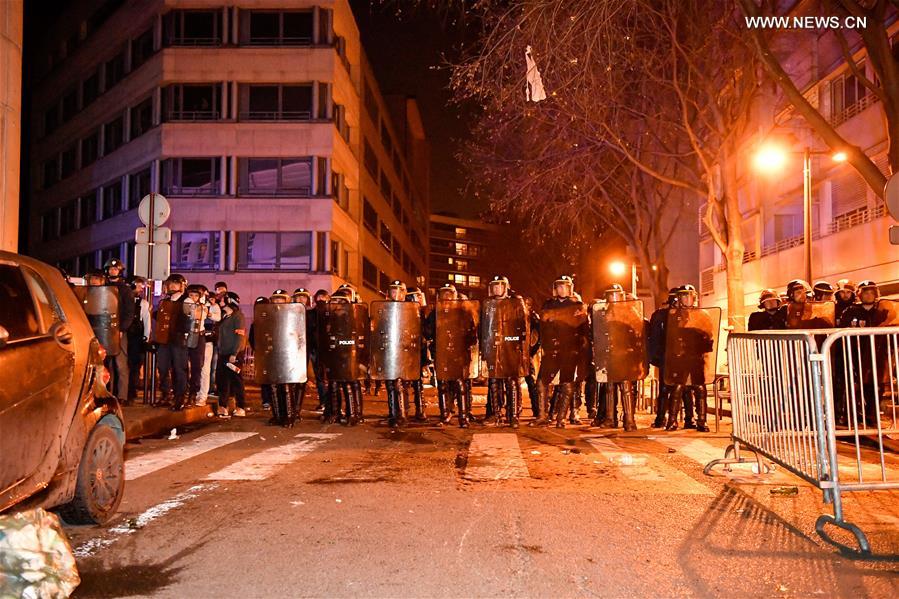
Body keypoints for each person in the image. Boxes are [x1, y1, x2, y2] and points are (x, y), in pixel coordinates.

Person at [534, 275, 588, 428]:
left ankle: (561, 418)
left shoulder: (577, 306)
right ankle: (542, 416)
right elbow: (542, 328)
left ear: (570, 288)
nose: (562, 289)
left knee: (567, 384)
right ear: (555, 289)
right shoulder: (548, 305)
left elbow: (584, 330)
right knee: (541, 383)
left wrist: (580, 350)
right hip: (551, 350)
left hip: (569, 350)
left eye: (565, 286)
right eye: (559, 286)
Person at [665, 284, 712, 433]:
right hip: (679, 357)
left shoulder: (703, 314)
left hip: (696, 356)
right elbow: (669, 337)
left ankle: (702, 421)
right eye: (684, 296)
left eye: (690, 296)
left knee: (700, 387)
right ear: (679, 298)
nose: (687, 299)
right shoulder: (672, 315)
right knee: (678, 387)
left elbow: (709, 334)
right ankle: (672, 421)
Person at [154, 274, 190, 410]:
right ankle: (165, 394)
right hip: (164, 340)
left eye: (176, 283)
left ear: (182, 286)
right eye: (171, 283)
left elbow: (190, 320)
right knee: (162, 368)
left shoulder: (186, 301)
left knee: (179, 369)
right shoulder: (164, 301)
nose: (173, 286)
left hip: (179, 340)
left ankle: (179, 397)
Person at [103, 259, 136, 400]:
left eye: (115, 269)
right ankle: (106, 394)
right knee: (105, 365)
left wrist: (123, 329)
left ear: (120, 271)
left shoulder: (125, 289)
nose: (112, 271)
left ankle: (122, 396)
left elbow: (129, 312)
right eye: (110, 269)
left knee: (121, 364)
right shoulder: (102, 287)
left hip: (119, 331)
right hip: (104, 330)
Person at [646, 288, 677, 428]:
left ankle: (687, 419)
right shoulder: (661, 315)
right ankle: (661, 418)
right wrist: (656, 357)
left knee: (684, 390)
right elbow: (655, 337)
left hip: (682, 358)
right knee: (665, 389)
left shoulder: (689, 315)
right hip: (666, 356)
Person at [217, 291, 247, 417]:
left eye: (223, 299)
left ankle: (241, 406)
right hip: (223, 353)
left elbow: (240, 336)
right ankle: (223, 406)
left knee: (236, 380)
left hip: (234, 353)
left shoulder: (238, 316)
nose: (221, 301)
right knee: (223, 380)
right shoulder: (225, 316)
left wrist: (234, 353)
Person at [404, 286, 430, 423]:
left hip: (418, 350)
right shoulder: (402, 310)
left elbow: (426, 332)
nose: (420, 299)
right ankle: (404, 409)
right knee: (404, 382)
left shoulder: (421, 312)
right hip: (404, 350)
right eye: (417, 296)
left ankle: (420, 409)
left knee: (418, 382)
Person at [126, 276, 152, 404]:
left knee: (135, 366)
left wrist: (146, 337)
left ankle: (132, 390)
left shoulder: (143, 303)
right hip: (126, 335)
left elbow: (146, 321)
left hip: (136, 336)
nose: (140, 289)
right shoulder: (124, 301)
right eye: (137, 285)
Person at [183, 285, 208, 405]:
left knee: (197, 366)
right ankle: (182, 391)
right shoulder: (184, 304)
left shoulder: (202, 307)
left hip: (198, 336)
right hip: (185, 336)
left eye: (196, 295)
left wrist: (196, 307)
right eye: (191, 295)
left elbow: (197, 316)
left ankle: (193, 392)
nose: (193, 298)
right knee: (182, 365)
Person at [197, 285, 220, 407]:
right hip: (194, 339)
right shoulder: (192, 304)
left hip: (207, 340)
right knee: (195, 368)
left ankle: (202, 395)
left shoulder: (212, 306)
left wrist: (208, 313)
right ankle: (195, 393)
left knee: (205, 369)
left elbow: (218, 317)